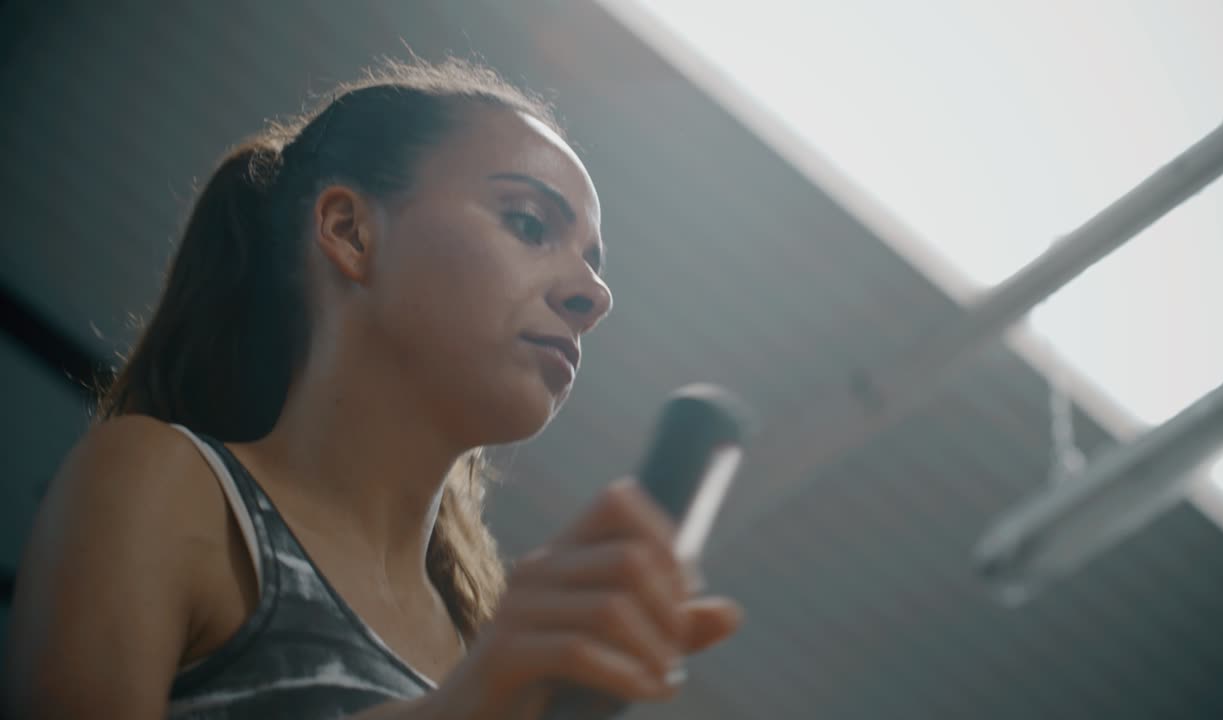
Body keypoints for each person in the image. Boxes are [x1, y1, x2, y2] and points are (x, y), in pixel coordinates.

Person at [3, 58, 742, 719]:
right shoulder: (167, 482)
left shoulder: (487, 649)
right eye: (528, 222)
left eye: (594, 260)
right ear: (351, 231)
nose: (595, 295)